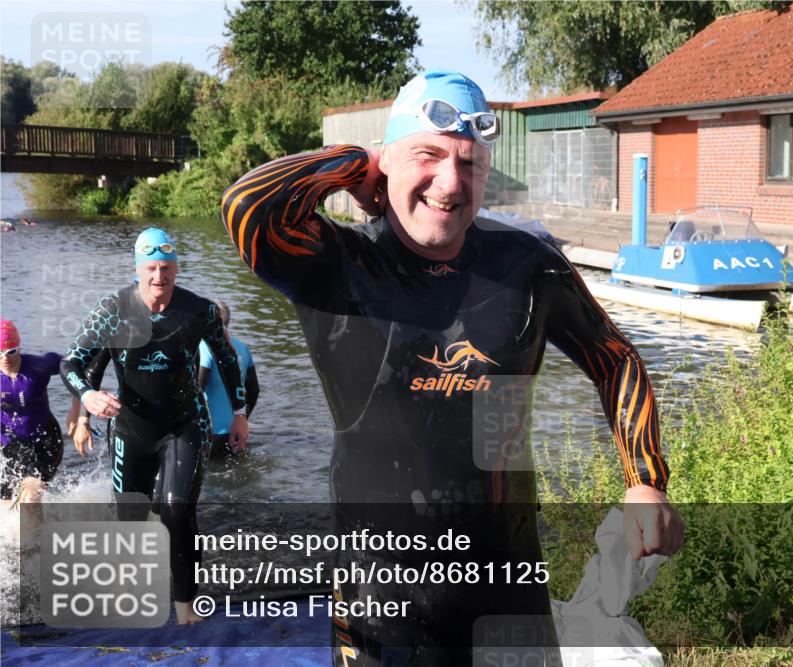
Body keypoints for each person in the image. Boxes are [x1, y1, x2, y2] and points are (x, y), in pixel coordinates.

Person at [222, 71, 683, 663]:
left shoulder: (527, 267)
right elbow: (246, 204)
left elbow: (614, 359)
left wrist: (645, 478)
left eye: (469, 164)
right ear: (388, 160)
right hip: (379, 590)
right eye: (428, 156)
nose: (449, 182)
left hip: (508, 580)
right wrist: (356, 163)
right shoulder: (336, 262)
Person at [59, 228, 249, 624]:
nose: (158, 277)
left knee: (178, 511)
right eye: (151, 269)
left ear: (176, 269)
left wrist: (240, 413)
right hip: (133, 427)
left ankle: (185, 606)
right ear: (137, 269)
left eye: (166, 268)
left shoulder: (200, 311)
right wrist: (87, 402)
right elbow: (71, 363)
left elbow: (228, 361)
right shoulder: (112, 309)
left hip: (185, 422)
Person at [0, 320, 65, 515]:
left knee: (30, 496)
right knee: (7, 503)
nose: (5, 358)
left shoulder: (39, 367)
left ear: (18, 347)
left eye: (11, 351)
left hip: (44, 440)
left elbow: (79, 366)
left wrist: (79, 415)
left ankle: (36, 543)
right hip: (9, 444)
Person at [198, 299, 259, 459]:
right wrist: (243, 419)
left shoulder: (204, 348)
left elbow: (197, 391)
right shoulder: (243, 348)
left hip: (211, 433)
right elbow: (254, 391)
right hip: (237, 432)